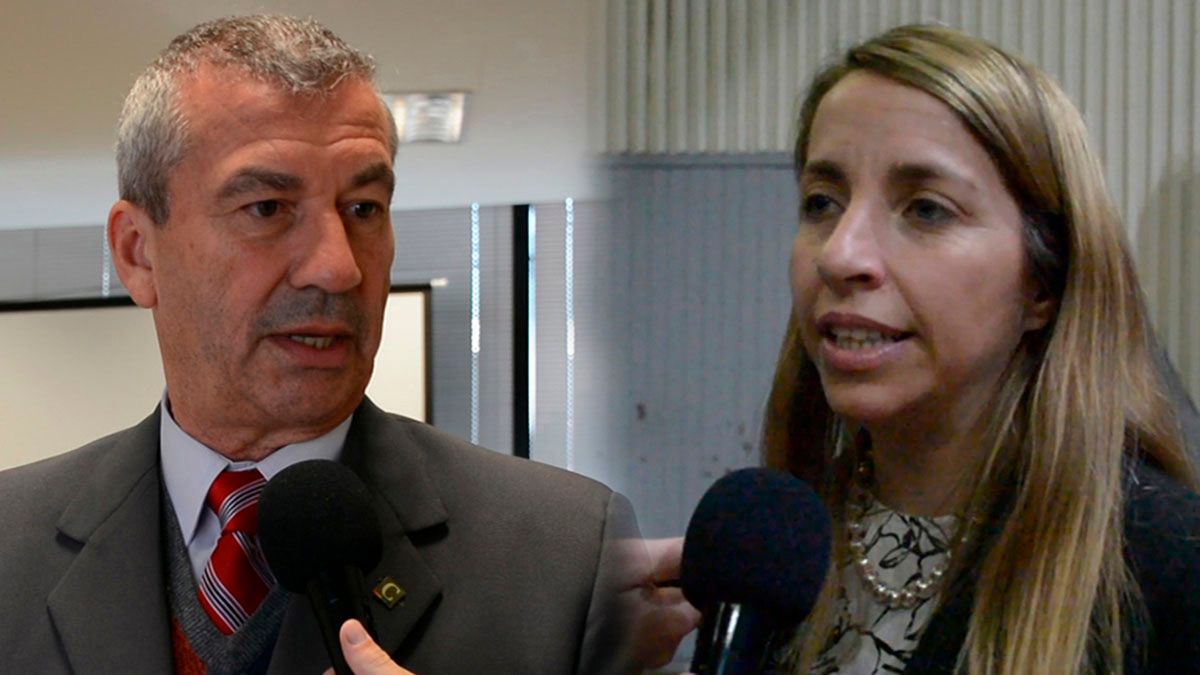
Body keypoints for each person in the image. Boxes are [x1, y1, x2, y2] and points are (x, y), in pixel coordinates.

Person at [0, 15, 696, 674]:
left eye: (364, 209)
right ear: (137, 253)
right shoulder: (10, 545)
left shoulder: (570, 554)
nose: (338, 268)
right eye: (267, 209)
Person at [759, 24, 1200, 675]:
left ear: (1042, 284)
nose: (840, 254)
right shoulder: (770, 551)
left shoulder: (1166, 567)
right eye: (822, 202)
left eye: (926, 209)